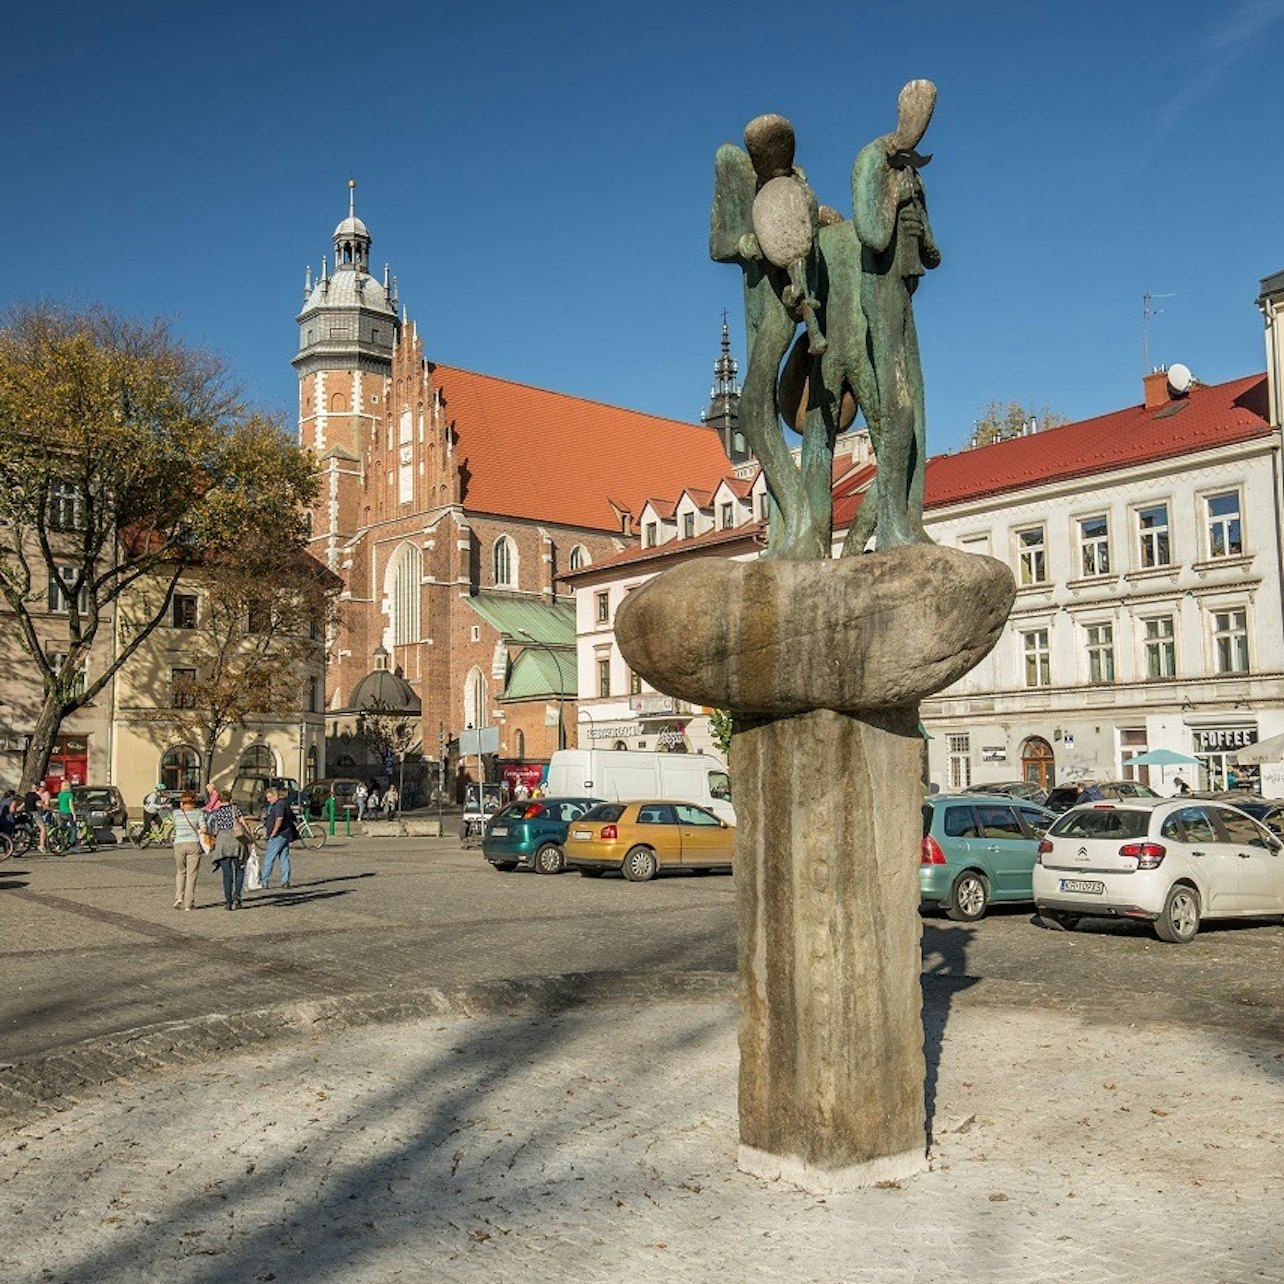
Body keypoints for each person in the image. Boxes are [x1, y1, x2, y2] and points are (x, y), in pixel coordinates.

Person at [206, 794, 251, 910]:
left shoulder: (216, 813)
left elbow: (209, 827)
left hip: (222, 842)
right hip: (236, 840)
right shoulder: (235, 810)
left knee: (227, 875)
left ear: (220, 801)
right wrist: (250, 837)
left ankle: (228, 902)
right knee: (239, 870)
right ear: (230, 799)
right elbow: (243, 822)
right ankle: (237, 896)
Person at [170, 790, 205, 911]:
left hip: (179, 844)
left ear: (182, 803)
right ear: (194, 802)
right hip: (193, 844)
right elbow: (204, 828)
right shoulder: (198, 813)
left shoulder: (176, 813)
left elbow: (175, 825)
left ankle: (179, 896)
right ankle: (188, 904)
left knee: (180, 871)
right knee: (192, 874)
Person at [259, 786, 297, 891]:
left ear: (275, 795)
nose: (268, 799)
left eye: (270, 797)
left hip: (278, 835)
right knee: (284, 858)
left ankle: (264, 881)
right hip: (286, 834)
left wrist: (273, 833)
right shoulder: (284, 803)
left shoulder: (279, 805)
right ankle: (285, 881)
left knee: (269, 858)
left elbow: (279, 819)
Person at [55, 779, 78, 851]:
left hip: (61, 813)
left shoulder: (60, 794)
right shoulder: (69, 795)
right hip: (68, 813)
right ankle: (72, 845)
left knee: (63, 828)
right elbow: (71, 805)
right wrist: (74, 814)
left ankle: (61, 843)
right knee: (74, 828)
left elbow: (59, 803)